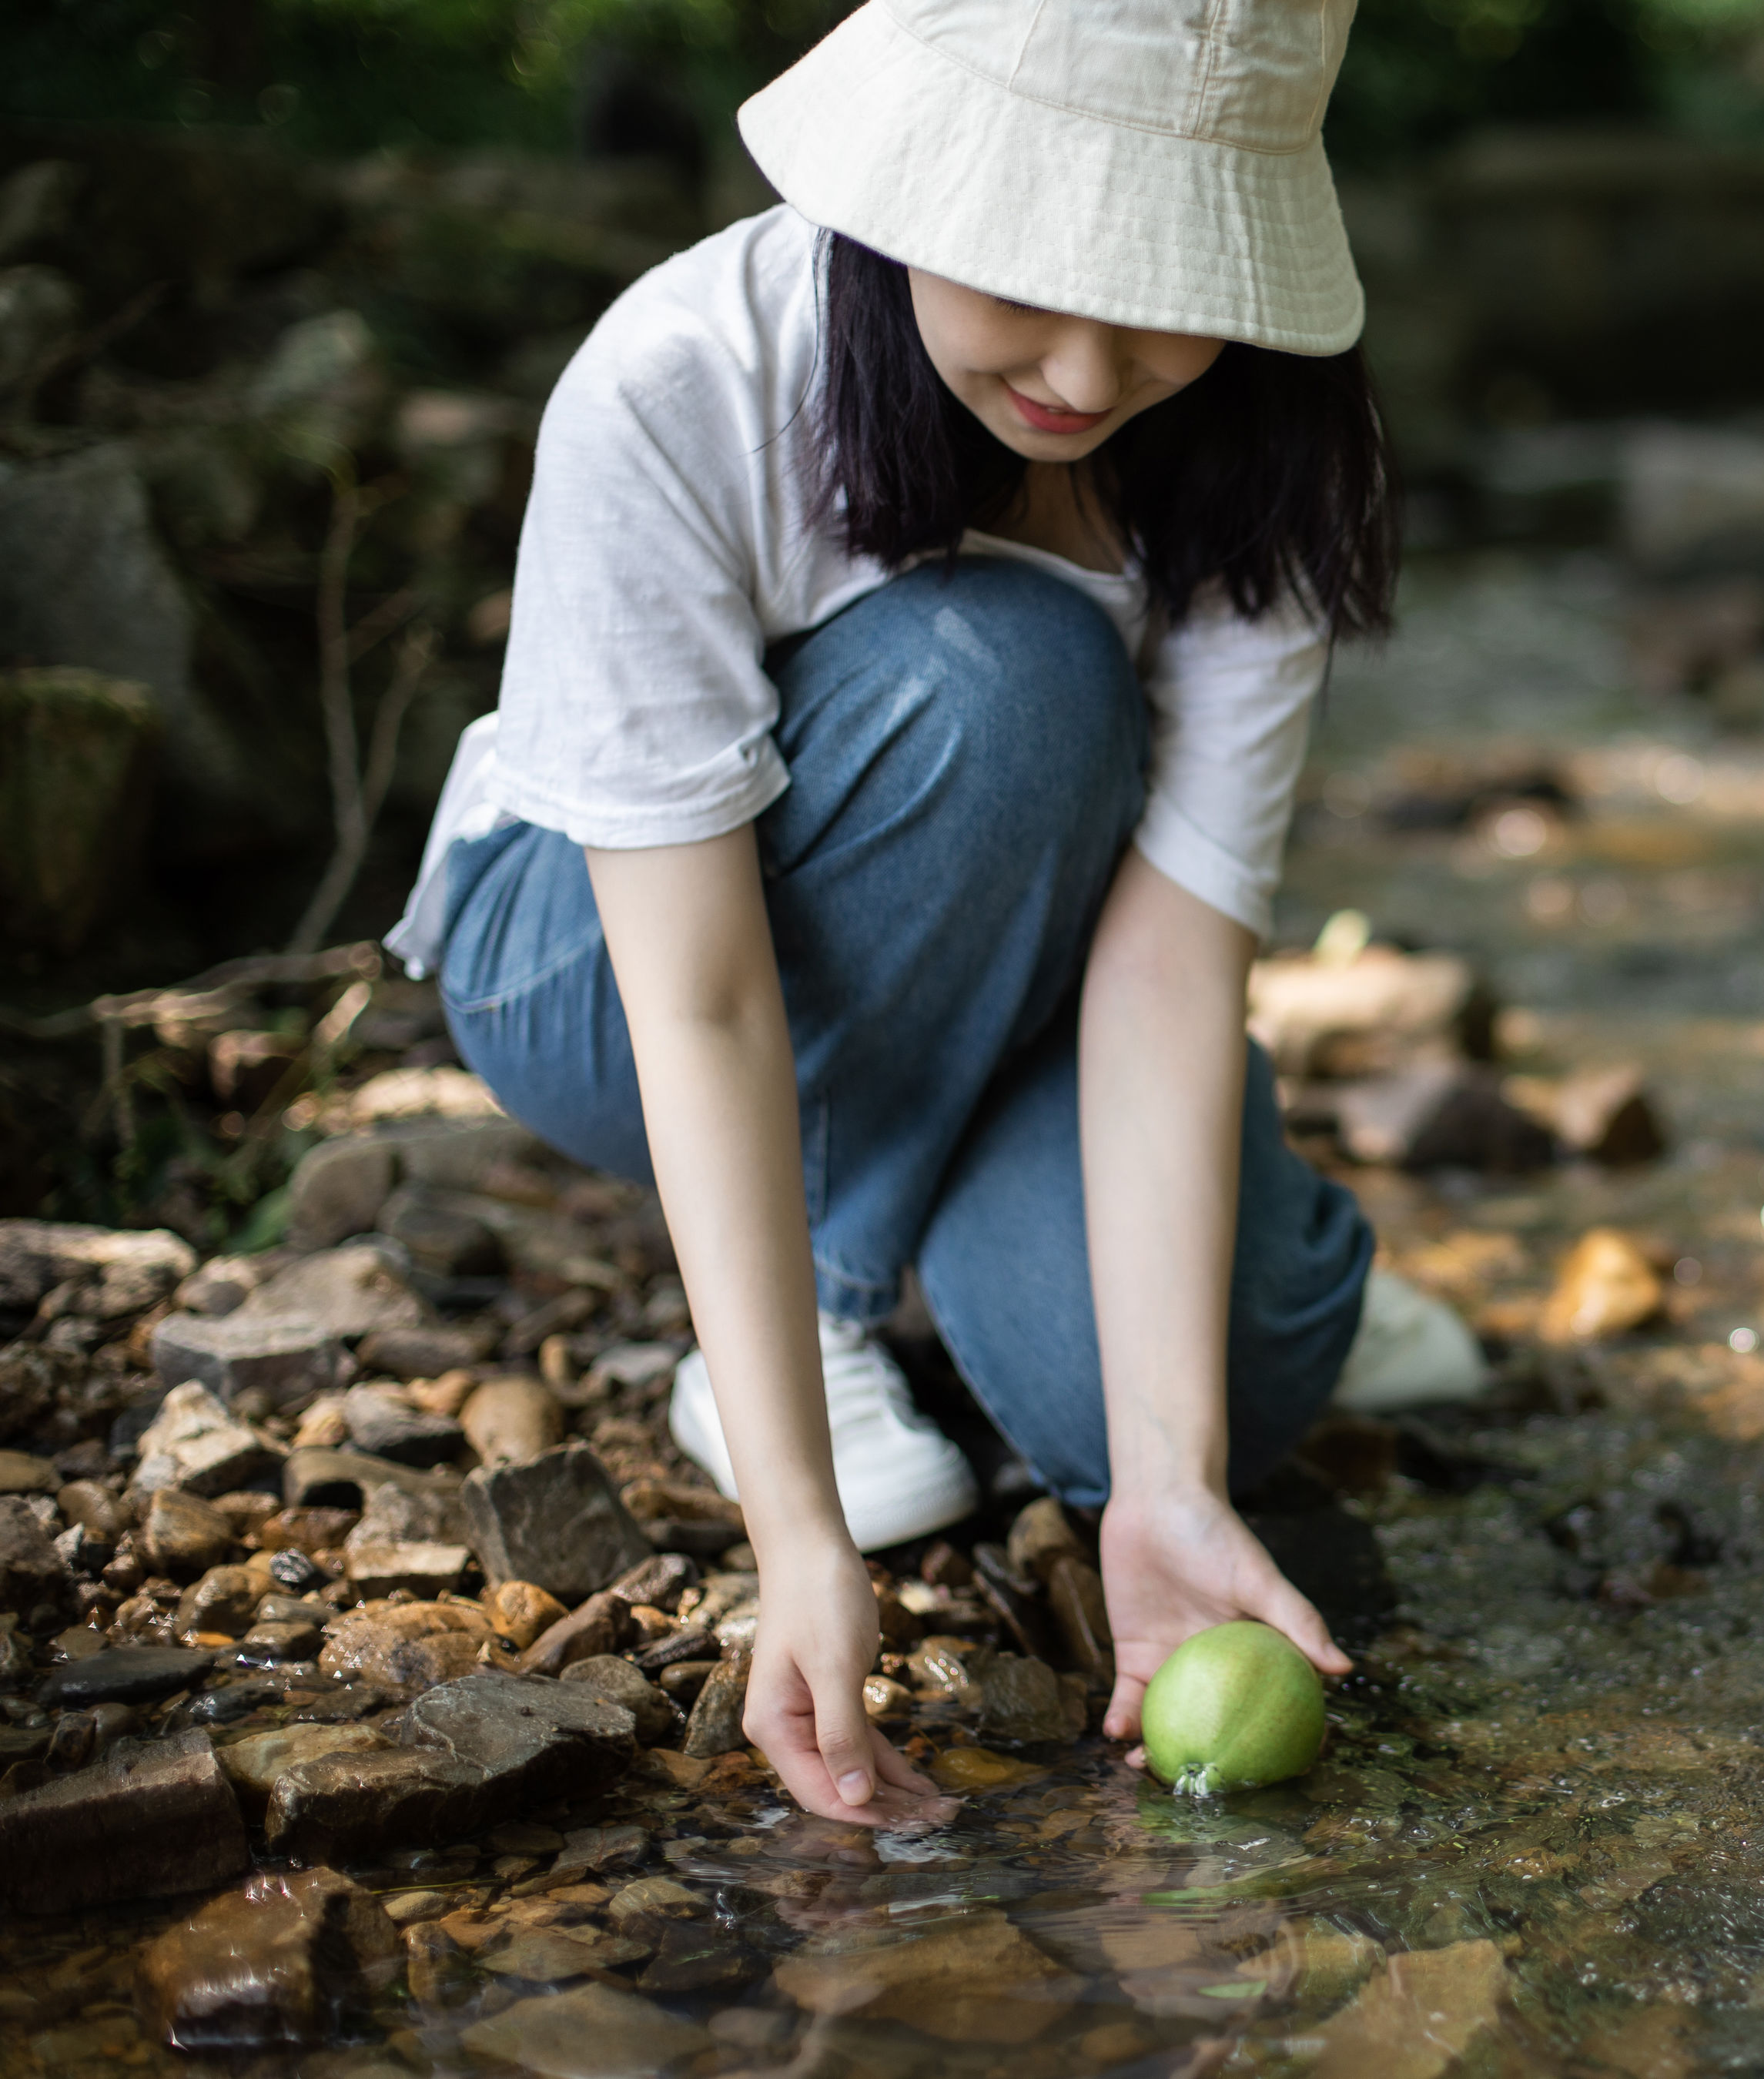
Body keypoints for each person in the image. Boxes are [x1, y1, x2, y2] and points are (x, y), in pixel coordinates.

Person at [384, 0, 1477, 1825]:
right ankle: (812, 1316)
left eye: (1160, 287)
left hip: (1020, 970)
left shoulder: (1263, 458)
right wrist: (794, 1524)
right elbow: (708, 999)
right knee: (1018, 681)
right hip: (599, 958)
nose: (1085, 364)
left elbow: (1165, 966)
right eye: (1036, 267)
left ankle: (1066, 1291)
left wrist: (1169, 1482)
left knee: (1220, 1388)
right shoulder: (680, 380)